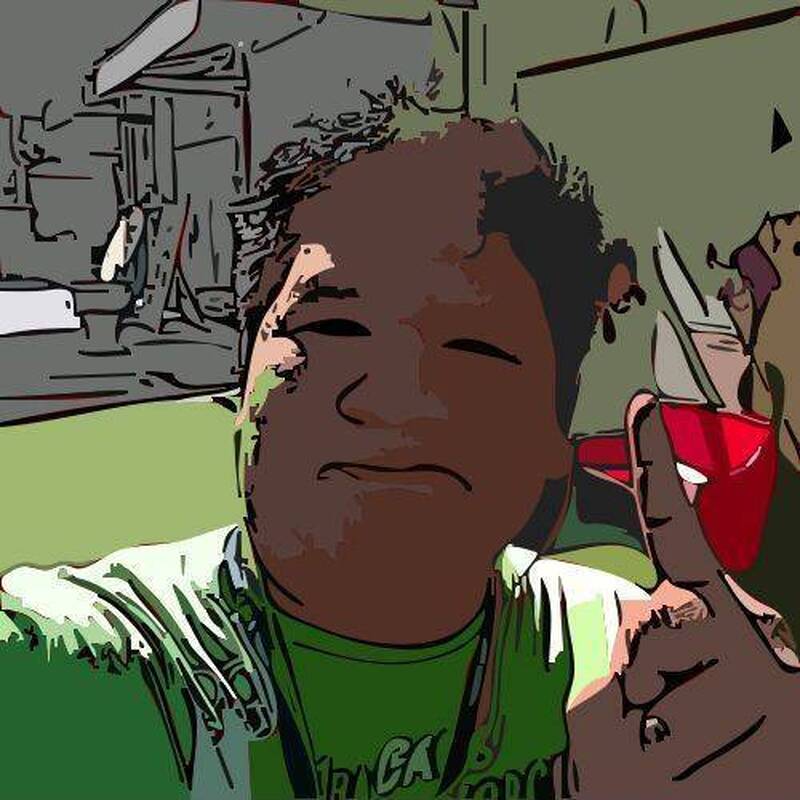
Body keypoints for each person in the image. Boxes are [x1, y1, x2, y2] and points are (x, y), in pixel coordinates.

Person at [1, 114, 797, 799]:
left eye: (476, 350)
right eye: (332, 329)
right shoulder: (79, 661)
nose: (393, 398)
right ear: (237, 387)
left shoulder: (631, 667)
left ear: (556, 435)